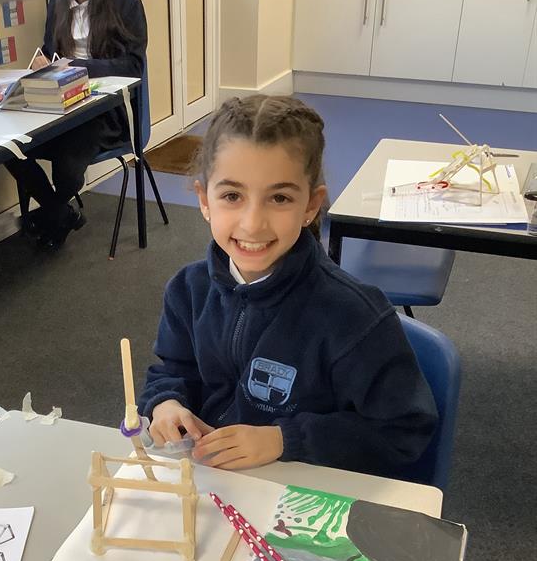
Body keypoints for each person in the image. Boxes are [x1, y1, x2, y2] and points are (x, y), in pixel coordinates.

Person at [137, 95, 438, 477]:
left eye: (279, 198)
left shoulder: (353, 316)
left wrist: (285, 439)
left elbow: (405, 428)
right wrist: (165, 403)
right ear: (204, 200)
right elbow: (173, 370)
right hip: (211, 480)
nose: (252, 223)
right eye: (232, 196)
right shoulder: (187, 290)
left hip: (302, 490)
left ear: (310, 205)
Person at [6, 0, 147, 251]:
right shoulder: (57, 4)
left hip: (106, 113)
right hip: (61, 107)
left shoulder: (125, 3)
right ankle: (60, 214)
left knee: (67, 165)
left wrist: (78, 67)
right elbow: (50, 53)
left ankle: (53, 215)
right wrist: (42, 64)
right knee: (10, 149)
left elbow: (133, 66)